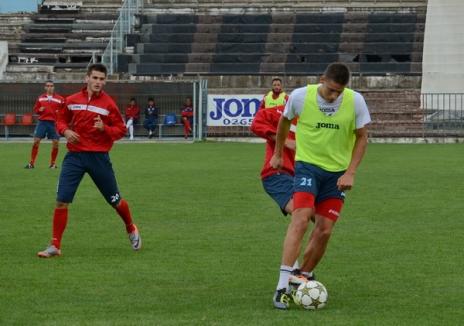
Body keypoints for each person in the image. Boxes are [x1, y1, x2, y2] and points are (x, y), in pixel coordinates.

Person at [270, 62, 371, 309]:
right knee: (301, 217)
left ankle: (302, 275)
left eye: (340, 91)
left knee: (325, 229)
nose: (335, 95)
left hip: (336, 174)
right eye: (331, 90)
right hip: (308, 167)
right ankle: (282, 287)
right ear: (322, 79)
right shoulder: (300, 96)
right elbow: (284, 123)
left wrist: (351, 172)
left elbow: (362, 137)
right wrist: (278, 153)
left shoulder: (355, 101)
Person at [37, 63, 142, 258]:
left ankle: (130, 227)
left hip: (98, 158)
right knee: (61, 201)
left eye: (102, 79)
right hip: (74, 157)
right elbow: (60, 120)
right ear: (87, 78)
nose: (98, 82)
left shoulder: (109, 104)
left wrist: (105, 128)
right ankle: (55, 245)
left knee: (116, 201)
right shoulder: (71, 100)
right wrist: (66, 131)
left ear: (105, 81)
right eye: (95, 78)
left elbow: (120, 130)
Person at [25, 80, 65, 169]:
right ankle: (31, 163)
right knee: (36, 142)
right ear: (45, 87)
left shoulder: (60, 99)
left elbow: (64, 111)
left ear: (54, 87)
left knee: (55, 143)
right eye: (48, 86)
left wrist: (60, 116)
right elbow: (36, 109)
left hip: (54, 123)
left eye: (51, 86)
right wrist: (40, 110)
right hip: (42, 122)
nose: (50, 87)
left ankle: (53, 164)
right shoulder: (40, 98)